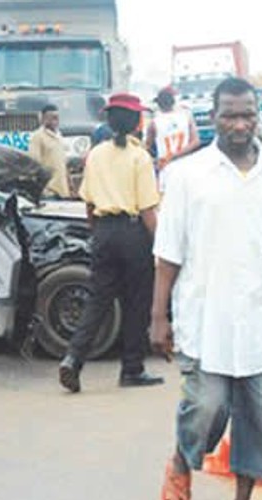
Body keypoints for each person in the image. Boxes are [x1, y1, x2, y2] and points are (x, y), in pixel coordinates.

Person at [151, 77, 262, 500]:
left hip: (260, 320)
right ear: (213, 118)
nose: (239, 124)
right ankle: (182, 462)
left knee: (259, 418)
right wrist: (157, 317)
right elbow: (168, 253)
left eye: (247, 115)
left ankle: (242, 496)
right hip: (205, 321)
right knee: (206, 408)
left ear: (256, 115)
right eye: (229, 115)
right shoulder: (186, 175)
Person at [58, 93, 164, 393]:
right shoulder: (139, 156)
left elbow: (89, 203)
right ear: (135, 123)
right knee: (136, 302)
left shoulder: (96, 154)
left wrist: (100, 233)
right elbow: (147, 210)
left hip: (103, 231)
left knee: (98, 300)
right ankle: (132, 369)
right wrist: (160, 247)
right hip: (133, 233)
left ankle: (73, 359)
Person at [145, 86, 200, 172]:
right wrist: (176, 155)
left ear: (158, 104)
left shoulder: (154, 123)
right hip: (185, 164)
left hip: (165, 166)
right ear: (174, 102)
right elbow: (196, 142)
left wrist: (155, 162)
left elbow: (147, 146)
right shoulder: (186, 116)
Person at [28, 104, 70, 198]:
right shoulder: (37, 137)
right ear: (43, 119)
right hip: (49, 191)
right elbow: (34, 164)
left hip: (62, 191)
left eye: (57, 118)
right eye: (52, 118)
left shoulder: (59, 136)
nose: (55, 121)